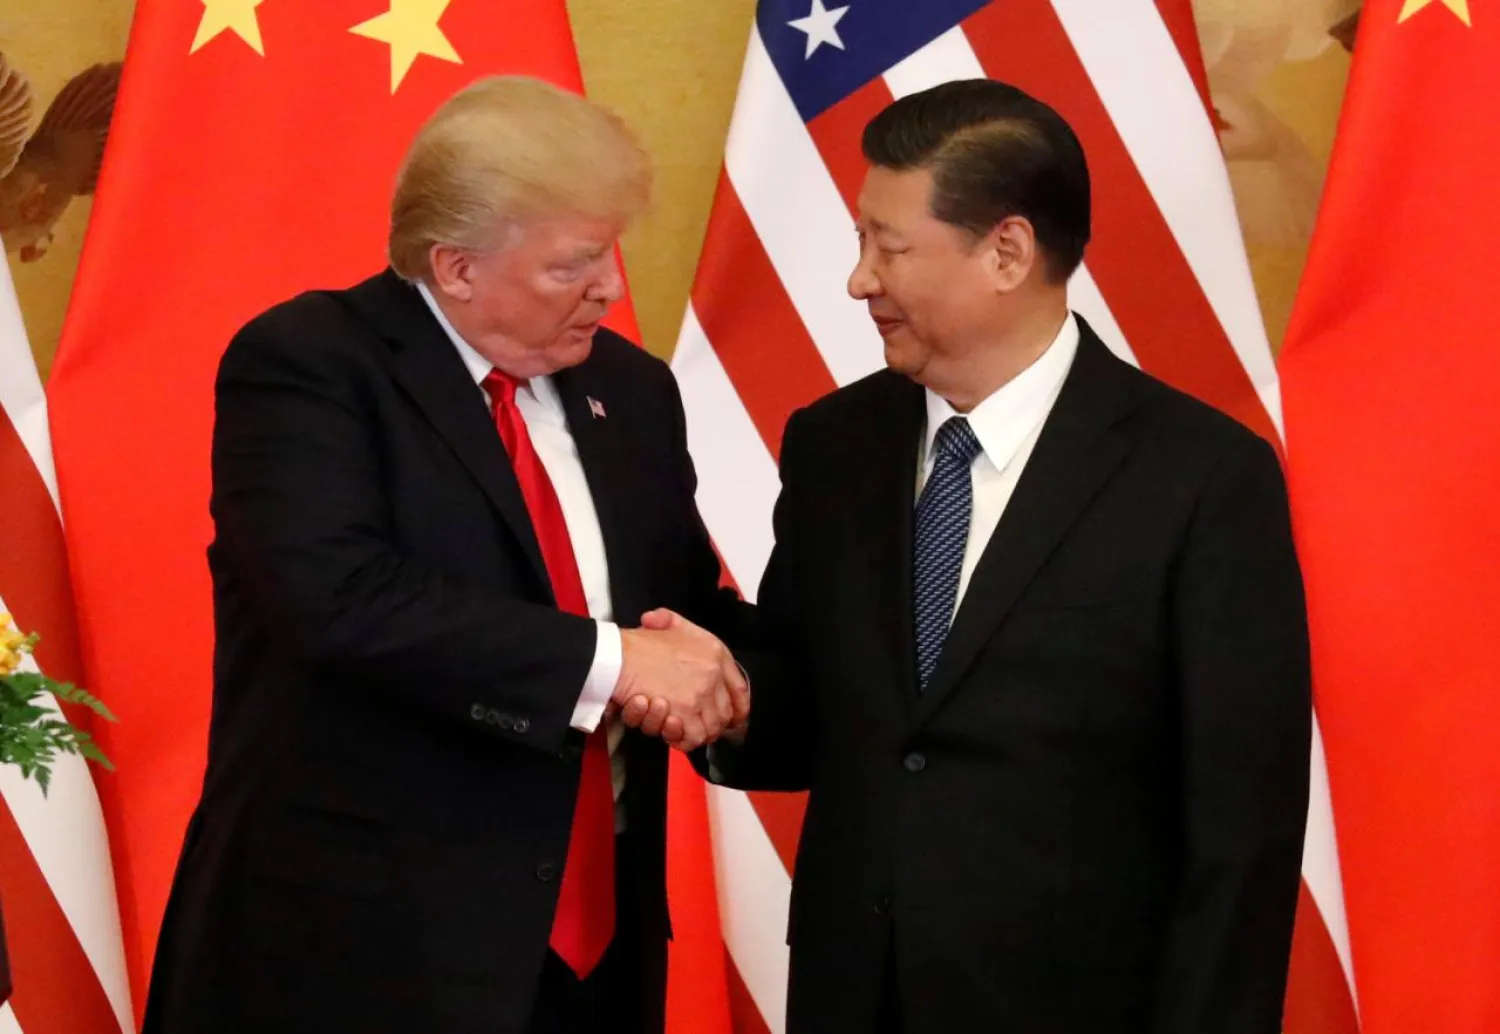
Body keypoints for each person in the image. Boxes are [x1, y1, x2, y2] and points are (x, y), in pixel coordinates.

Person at [664, 78, 1311, 1034]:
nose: (858, 281)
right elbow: (825, 711)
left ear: (1007, 251)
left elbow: (1241, 833)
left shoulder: (1203, 477)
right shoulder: (834, 446)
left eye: (889, 247)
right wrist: (733, 692)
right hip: (854, 994)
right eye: (859, 241)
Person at [142, 76, 749, 1034]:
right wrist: (616, 659)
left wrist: (746, 680)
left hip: (593, 963)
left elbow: (679, 608)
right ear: (456, 268)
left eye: (611, 255)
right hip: (360, 957)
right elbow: (335, 600)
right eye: (575, 265)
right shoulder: (310, 364)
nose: (612, 289)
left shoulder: (630, 391)